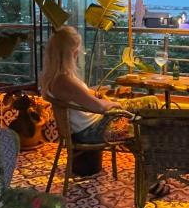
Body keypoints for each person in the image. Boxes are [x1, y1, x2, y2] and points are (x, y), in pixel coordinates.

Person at [40, 26, 166, 194]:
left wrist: (101, 97)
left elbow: (85, 96)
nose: (79, 54)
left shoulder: (57, 78)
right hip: (92, 130)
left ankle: (152, 170)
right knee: (147, 119)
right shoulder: (64, 81)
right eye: (76, 50)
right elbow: (98, 107)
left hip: (90, 125)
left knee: (150, 106)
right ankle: (151, 176)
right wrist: (114, 105)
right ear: (69, 53)